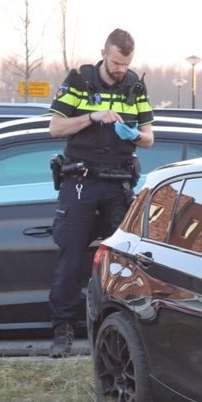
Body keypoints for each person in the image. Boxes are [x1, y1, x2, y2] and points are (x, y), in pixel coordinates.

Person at [46, 28, 154, 357]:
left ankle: (120, 331)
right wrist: (92, 117)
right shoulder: (80, 80)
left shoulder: (135, 86)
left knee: (123, 262)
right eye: (117, 62)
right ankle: (63, 331)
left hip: (118, 183)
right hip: (81, 180)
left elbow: (149, 138)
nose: (121, 69)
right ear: (104, 54)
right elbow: (55, 128)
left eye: (127, 64)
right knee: (71, 257)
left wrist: (133, 134)